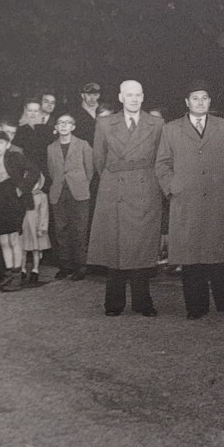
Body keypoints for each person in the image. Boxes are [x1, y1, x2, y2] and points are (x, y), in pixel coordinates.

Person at [154, 81, 224, 320]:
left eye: (205, 98)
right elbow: (162, 163)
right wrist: (173, 187)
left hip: (218, 199)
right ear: (186, 102)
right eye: (195, 98)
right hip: (187, 201)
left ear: (210, 101)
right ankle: (196, 306)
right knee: (191, 257)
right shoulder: (171, 129)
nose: (200, 102)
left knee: (220, 255)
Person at [88, 80, 164, 317]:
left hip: (145, 188)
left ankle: (143, 302)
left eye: (138, 95)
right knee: (115, 247)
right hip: (115, 190)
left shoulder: (157, 123)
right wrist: (114, 179)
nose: (133, 99)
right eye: (129, 95)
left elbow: (161, 158)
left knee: (141, 247)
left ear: (143, 97)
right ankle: (114, 303)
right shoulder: (104, 123)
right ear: (120, 97)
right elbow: (99, 159)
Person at [0, 130, 34, 292]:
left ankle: (17, 277)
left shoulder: (15, 157)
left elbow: (34, 171)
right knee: (3, 241)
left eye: (0, 143)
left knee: (13, 239)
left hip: (13, 201)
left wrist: (22, 189)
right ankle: (8, 276)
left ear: (7, 145)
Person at [47, 113, 94, 280]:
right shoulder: (51, 148)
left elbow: (90, 170)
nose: (64, 126)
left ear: (73, 127)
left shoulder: (83, 145)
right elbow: (52, 172)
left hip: (79, 193)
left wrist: (80, 184)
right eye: (60, 123)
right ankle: (65, 266)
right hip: (59, 194)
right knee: (61, 230)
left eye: (68, 123)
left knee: (79, 230)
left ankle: (80, 267)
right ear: (56, 127)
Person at [21, 173, 50, 284]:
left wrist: (42, 227)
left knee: (36, 249)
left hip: (36, 226)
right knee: (23, 248)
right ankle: (22, 269)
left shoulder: (41, 196)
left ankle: (35, 269)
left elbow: (44, 213)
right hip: (25, 225)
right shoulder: (23, 195)